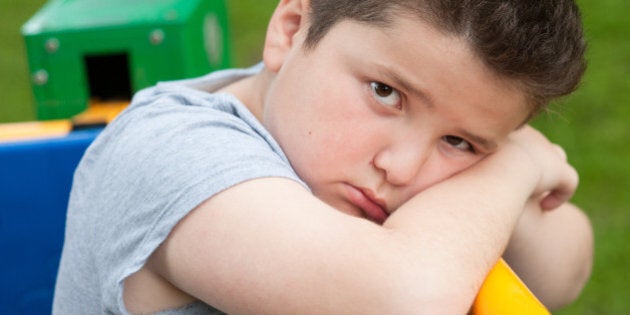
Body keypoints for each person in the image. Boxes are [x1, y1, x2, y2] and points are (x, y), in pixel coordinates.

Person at [53, 0, 593, 314]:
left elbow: (564, 271)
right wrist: (516, 167)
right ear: (290, 30)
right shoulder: (172, 151)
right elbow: (406, 300)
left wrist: (496, 164)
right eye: (385, 93)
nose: (402, 169)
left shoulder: (352, 167)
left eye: (461, 141)